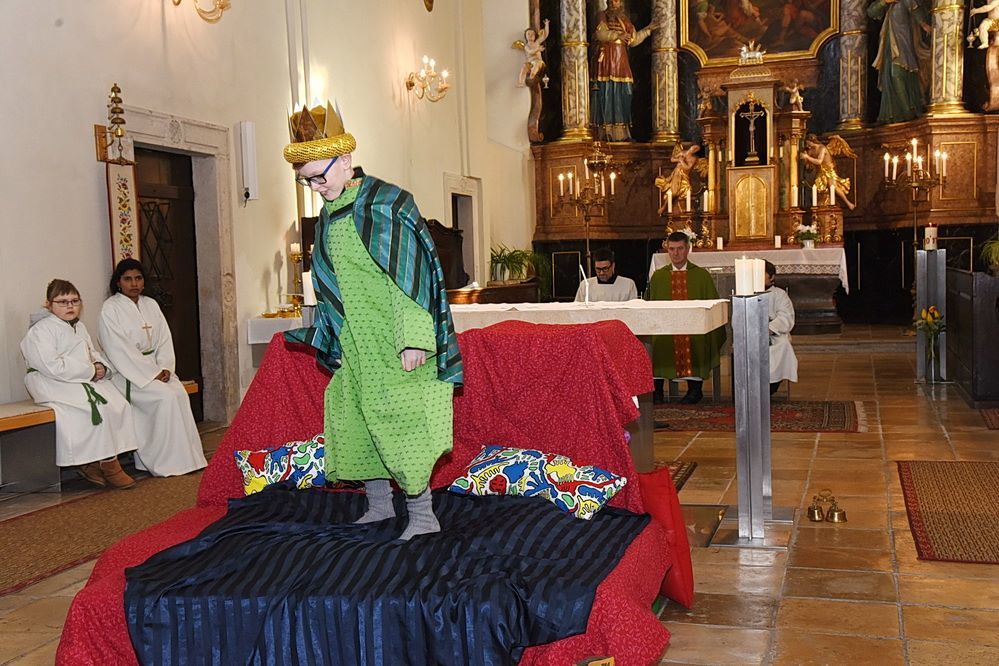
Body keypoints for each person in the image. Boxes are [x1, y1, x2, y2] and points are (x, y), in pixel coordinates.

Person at [283, 102, 462, 541]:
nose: (316, 188)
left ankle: (423, 515)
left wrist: (414, 337)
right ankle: (380, 506)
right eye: (307, 181)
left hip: (394, 337)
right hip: (355, 340)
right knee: (357, 420)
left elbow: (410, 276)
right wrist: (333, 334)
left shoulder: (385, 203)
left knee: (402, 422)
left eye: (319, 177)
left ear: (345, 160)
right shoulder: (329, 215)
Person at [21, 279, 138, 489]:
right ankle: (100, 464)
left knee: (117, 403)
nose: (70, 306)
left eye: (75, 301)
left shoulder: (79, 327)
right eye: (62, 302)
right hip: (51, 381)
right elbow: (50, 365)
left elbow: (92, 352)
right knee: (89, 409)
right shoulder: (41, 330)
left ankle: (100, 461)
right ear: (48, 304)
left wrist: (101, 367)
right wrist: (90, 370)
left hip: (80, 378)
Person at [99, 259, 207, 477]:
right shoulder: (110, 308)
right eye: (128, 279)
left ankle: (187, 458)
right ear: (118, 282)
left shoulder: (151, 305)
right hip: (127, 374)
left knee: (179, 393)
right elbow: (118, 348)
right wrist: (151, 373)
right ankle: (162, 461)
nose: (134, 284)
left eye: (138, 278)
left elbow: (164, 339)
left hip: (156, 370)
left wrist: (165, 367)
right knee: (165, 398)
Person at [648, 232, 726, 404]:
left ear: (688, 249)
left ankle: (695, 390)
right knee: (657, 342)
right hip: (665, 328)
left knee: (698, 339)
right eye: (672, 249)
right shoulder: (659, 277)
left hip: (694, 328)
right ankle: (657, 390)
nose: (675, 253)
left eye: (680, 249)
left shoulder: (701, 276)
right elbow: (650, 307)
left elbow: (712, 306)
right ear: (667, 250)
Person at [590, 0, 657, 141]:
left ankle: (622, 133)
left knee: (624, 93)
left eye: (618, 0)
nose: (616, 3)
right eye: (613, 0)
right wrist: (617, 36)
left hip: (621, 60)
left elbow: (633, 40)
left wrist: (648, 30)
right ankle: (606, 131)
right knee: (607, 93)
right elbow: (600, 34)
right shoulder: (602, 16)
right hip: (607, 59)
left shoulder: (624, 19)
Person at [868, 0, 930, 124]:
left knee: (899, 73)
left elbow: (916, 10)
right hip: (889, 46)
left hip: (904, 43)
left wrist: (924, 25)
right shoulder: (889, 5)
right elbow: (871, 12)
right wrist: (885, 2)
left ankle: (908, 111)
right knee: (891, 76)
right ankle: (895, 114)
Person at [763, 261, 798, 395]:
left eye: (761, 274)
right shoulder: (746, 294)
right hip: (751, 335)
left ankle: (772, 385)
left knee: (782, 345)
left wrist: (769, 329)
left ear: (772, 277)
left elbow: (786, 316)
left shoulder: (779, 294)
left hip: (774, 335)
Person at [801, 134, 856, 210]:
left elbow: (819, 161)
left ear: (812, 141)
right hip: (820, 171)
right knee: (817, 187)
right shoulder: (810, 150)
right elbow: (808, 165)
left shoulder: (822, 148)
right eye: (806, 144)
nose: (807, 145)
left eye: (808, 143)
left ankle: (848, 203)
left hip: (829, 171)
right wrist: (805, 158)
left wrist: (807, 157)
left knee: (833, 186)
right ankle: (820, 205)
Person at [516, 19, 550, 87]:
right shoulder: (526, 46)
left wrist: (547, 24)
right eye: (528, 34)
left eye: (532, 34)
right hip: (530, 63)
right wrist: (538, 49)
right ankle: (521, 82)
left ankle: (532, 75)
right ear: (525, 36)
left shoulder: (537, 42)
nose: (530, 35)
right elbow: (530, 52)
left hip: (538, 62)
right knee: (524, 67)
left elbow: (545, 35)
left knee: (536, 64)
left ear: (535, 36)